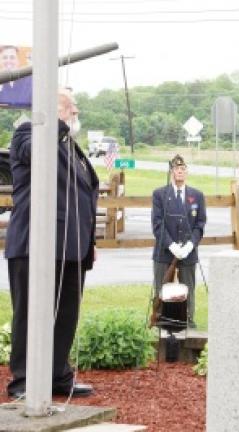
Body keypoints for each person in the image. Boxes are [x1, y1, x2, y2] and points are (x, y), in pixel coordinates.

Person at [5, 89, 99, 399]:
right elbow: (35, 153)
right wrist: (54, 120)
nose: (75, 113)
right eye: (69, 107)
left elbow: (84, 194)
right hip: (35, 244)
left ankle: (58, 375)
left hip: (71, 248)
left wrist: (89, 241)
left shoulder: (69, 146)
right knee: (30, 314)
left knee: (65, 315)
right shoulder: (25, 134)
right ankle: (24, 381)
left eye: (74, 108)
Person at [151, 154, 206, 329]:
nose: (180, 172)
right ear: (171, 171)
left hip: (188, 252)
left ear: (186, 172)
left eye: (183, 169)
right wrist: (172, 245)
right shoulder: (160, 194)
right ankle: (161, 320)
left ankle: (188, 320)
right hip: (165, 251)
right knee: (162, 288)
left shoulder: (197, 195)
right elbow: (157, 224)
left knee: (188, 287)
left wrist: (190, 245)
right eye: (176, 169)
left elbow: (200, 224)